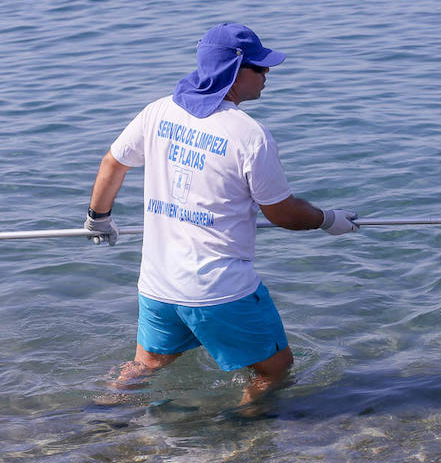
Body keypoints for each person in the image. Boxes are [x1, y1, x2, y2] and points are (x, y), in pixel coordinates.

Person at [84, 22, 358, 405]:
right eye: (260, 68)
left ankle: (100, 418)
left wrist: (99, 218)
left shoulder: (158, 112)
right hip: (218, 290)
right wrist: (328, 219)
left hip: (158, 285)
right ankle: (240, 438)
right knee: (275, 370)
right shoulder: (249, 135)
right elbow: (282, 213)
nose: (267, 76)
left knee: (146, 365)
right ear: (234, 71)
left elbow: (113, 163)